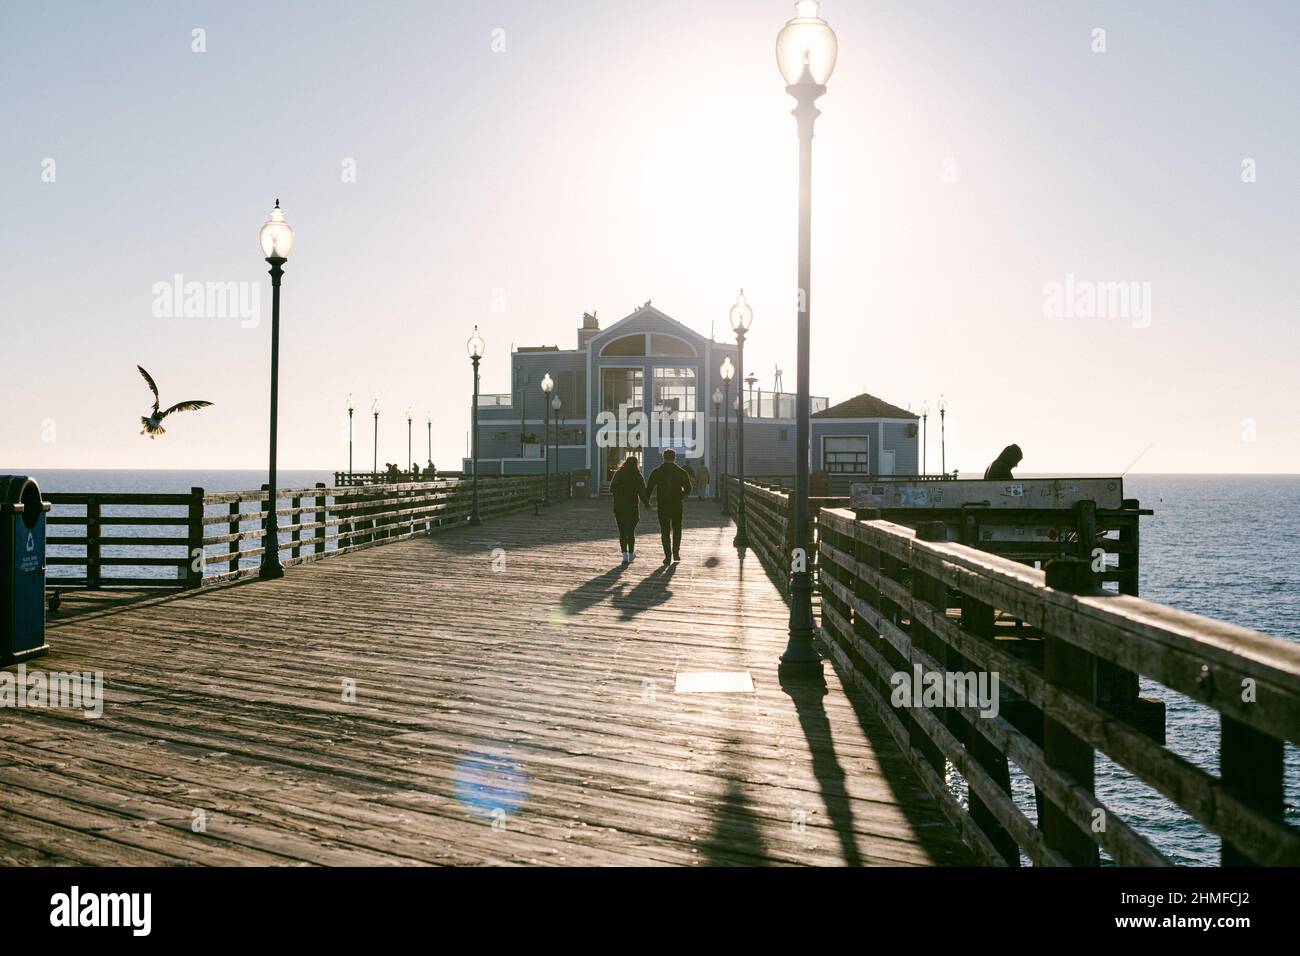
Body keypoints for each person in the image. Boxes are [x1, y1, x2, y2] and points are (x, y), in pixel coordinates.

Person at [646, 448, 693, 564]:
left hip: (663, 504)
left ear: (663, 457)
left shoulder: (657, 471)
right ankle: (676, 552)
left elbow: (649, 488)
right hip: (677, 504)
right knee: (677, 528)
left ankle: (667, 556)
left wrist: (646, 502)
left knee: (665, 530)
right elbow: (689, 489)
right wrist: (681, 494)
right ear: (674, 458)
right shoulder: (681, 472)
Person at [609, 454, 648, 566]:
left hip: (619, 506)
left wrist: (619, 493)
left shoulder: (619, 473)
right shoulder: (638, 476)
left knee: (622, 531)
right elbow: (642, 492)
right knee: (630, 531)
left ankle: (624, 555)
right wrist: (646, 504)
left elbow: (611, 488)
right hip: (632, 507)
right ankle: (631, 554)